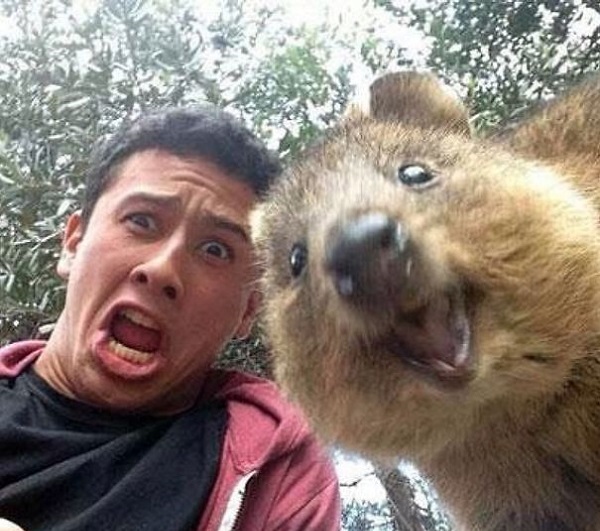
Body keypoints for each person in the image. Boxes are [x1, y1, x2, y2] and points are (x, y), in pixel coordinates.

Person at [0, 106, 341, 530]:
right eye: (141, 221)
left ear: (248, 310)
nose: (163, 269)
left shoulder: (284, 475)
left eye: (216, 250)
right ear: (73, 242)